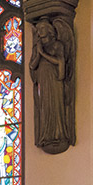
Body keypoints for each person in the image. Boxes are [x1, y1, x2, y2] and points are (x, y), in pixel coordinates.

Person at [29, 18, 75, 152]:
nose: (39, 31)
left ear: (49, 30)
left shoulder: (57, 45)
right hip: (43, 80)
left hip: (54, 80)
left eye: (42, 28)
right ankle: (46, 135)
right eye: (38, 29)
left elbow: (60, 61)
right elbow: (32, 65)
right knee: (44, 107)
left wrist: (43, 53)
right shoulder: (37, 46)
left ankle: (59, 134)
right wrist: (38, 52)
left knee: (56, 105)